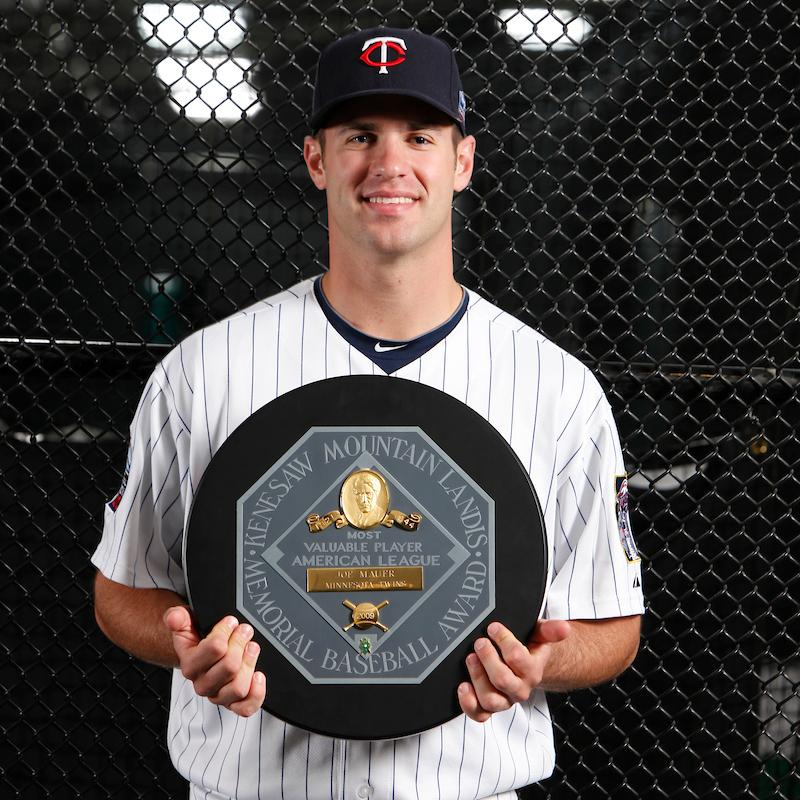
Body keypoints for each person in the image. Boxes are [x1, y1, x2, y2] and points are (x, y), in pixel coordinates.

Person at [92, 27, 644, 800]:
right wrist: (185, 646)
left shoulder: (555, 385)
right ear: (317, 159)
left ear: (462, 162)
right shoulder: (203, 370)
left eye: (419, 136)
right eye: (359, 135)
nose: (389, 162)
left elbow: (613, 624)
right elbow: (123, 589)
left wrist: (543, 662)